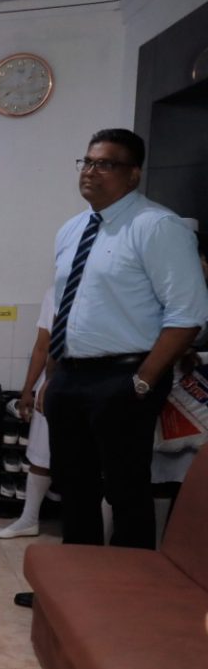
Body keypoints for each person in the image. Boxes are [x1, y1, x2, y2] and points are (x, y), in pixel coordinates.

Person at [40, 129, 208, 549]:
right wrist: (51, 376)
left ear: (133, 175)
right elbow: (64, 309)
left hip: (125, 377)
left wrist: (144, 380)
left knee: (126, 489)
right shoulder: (71, 230)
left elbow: (188, 315)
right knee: (73, 487)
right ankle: (79, 580)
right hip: (70, 376)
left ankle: (130, 582)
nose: (90, 171)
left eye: (105, 164)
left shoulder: (158, 227)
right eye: (87, 162)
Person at [0, 285, 56, 540]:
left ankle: (99, 539)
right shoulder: (55, 292)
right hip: (54, 382)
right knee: (41, 454)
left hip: (97, 382)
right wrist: (28, 390)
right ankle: (29, 519)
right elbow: (43, 345)